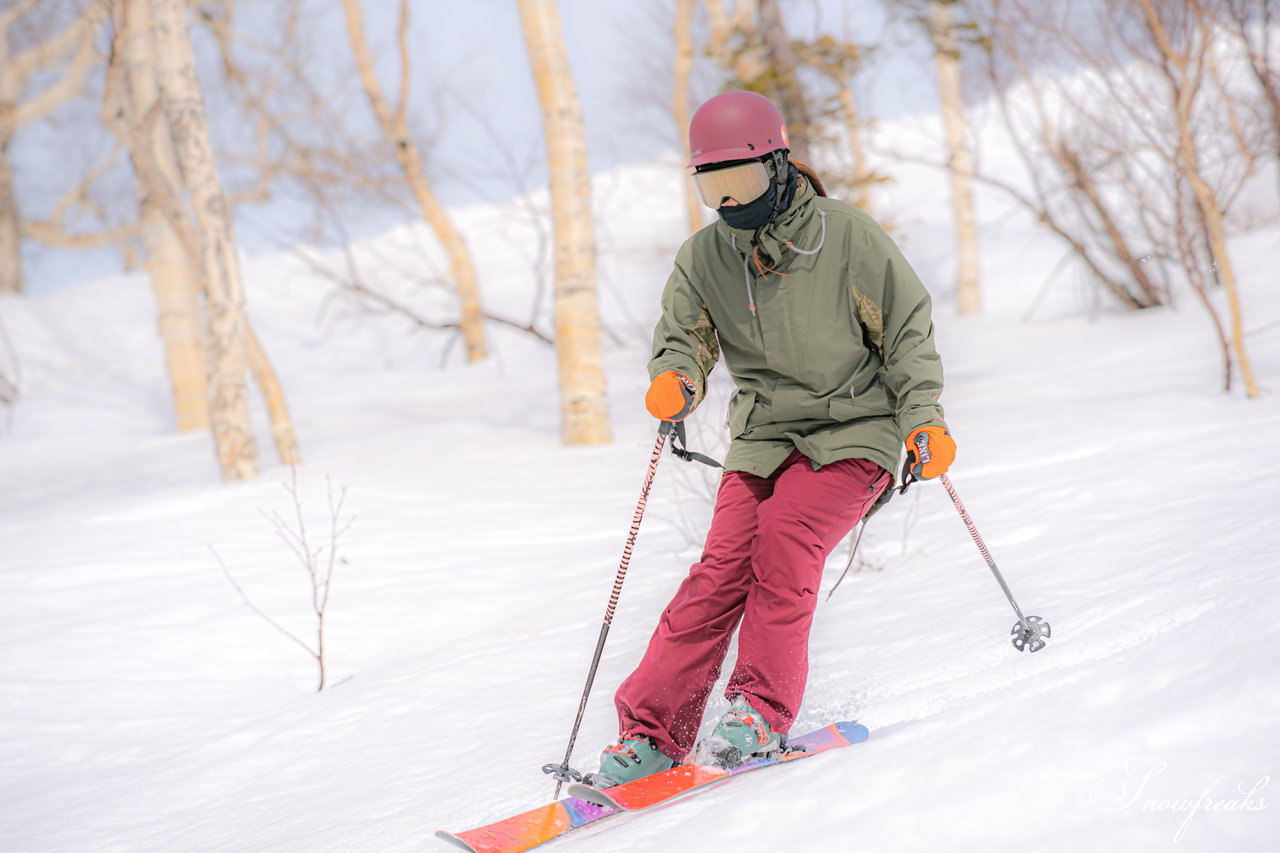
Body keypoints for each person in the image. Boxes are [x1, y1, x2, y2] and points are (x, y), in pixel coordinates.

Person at [591, 90, 955, 787]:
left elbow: (906, 330)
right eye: (713, 187)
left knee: (787, 536)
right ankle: (653, 733)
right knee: (719, 570)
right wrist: (676, 378)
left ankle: (758, 709)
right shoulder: (705, 258)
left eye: (743, 182)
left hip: (857, 430)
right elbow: (682, 339)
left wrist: (924, 417)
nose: (730, 201)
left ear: (780, 163)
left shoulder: (846, 235)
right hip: (763, 438)